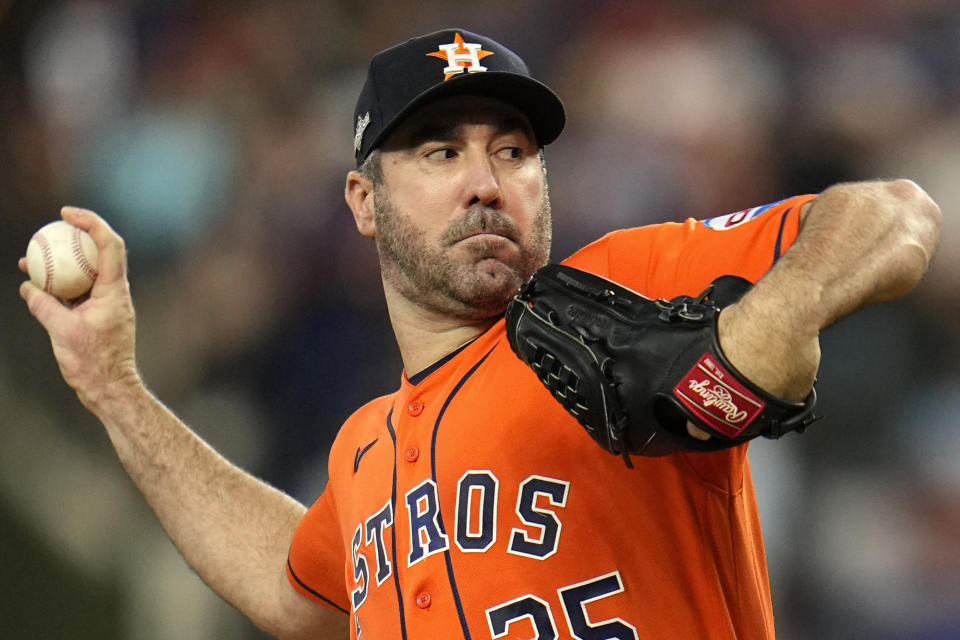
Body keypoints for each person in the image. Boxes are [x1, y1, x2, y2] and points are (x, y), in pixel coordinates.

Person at [18, 28, 940, 640]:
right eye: (440, 151)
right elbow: (299, 593)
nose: (486, 180)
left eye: (513, 151)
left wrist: (770, 319)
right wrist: (114, 387)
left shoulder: (616, 289)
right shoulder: (365, 449)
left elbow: (891, 212)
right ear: (363, 201)